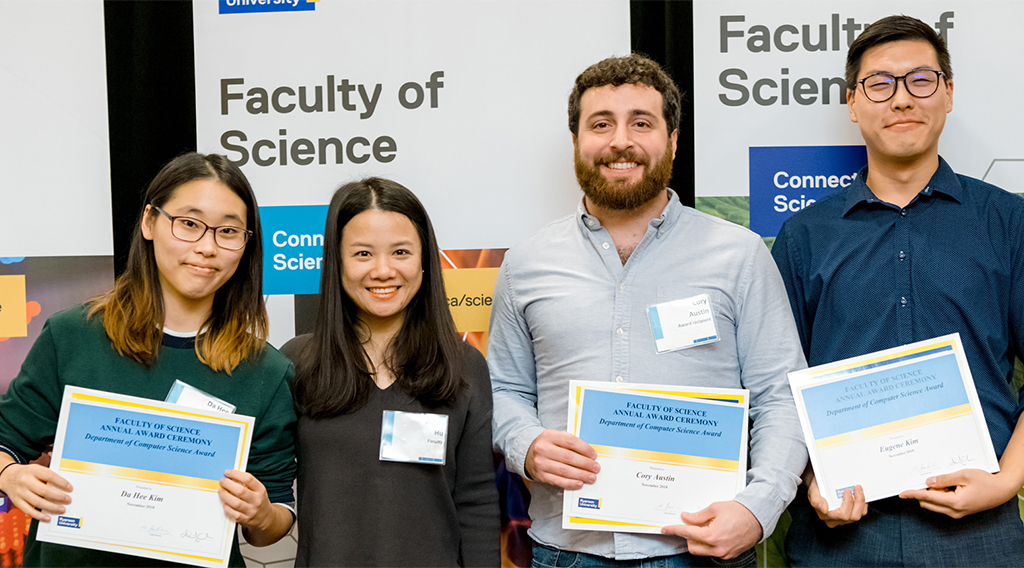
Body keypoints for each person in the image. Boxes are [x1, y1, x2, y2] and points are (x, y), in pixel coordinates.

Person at [488, 54, 808, 567]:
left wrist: (758, 508)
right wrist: (525, 443)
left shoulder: (740, 255)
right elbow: (503, 389)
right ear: (576, 142)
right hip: (567, 555)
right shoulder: (526, 263)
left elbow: (780, 397)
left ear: (673, 139)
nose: (620, 141)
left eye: (641, 123)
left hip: (703, 553)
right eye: (601, 124)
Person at [772, 14, 1024, 567]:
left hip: (983, 536)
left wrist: (1006, 482)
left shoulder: (1010, 223)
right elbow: (775, 388)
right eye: (880, 84)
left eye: (921, 80)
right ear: (853, 102)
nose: (902, 99)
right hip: (839, 535)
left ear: (949, 93)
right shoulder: (804, 237)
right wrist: (813, 479)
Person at [0, 152, 297, 566]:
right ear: (149, 223)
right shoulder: (72, 336)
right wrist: (11, 476)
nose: (207, 247)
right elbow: (5, 440)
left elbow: (275, 520)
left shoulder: (265, 370)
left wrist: (261, 512)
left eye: (228, 231)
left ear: (246, 245)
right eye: (189, 224)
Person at [281, 177, 499, 567]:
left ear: (424, 260)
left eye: (400, 252)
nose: (383, 270)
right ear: (337, 261)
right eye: (363, 254)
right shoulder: (299, 363)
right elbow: (273, 488)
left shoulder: (464, 366)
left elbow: (477, 500)